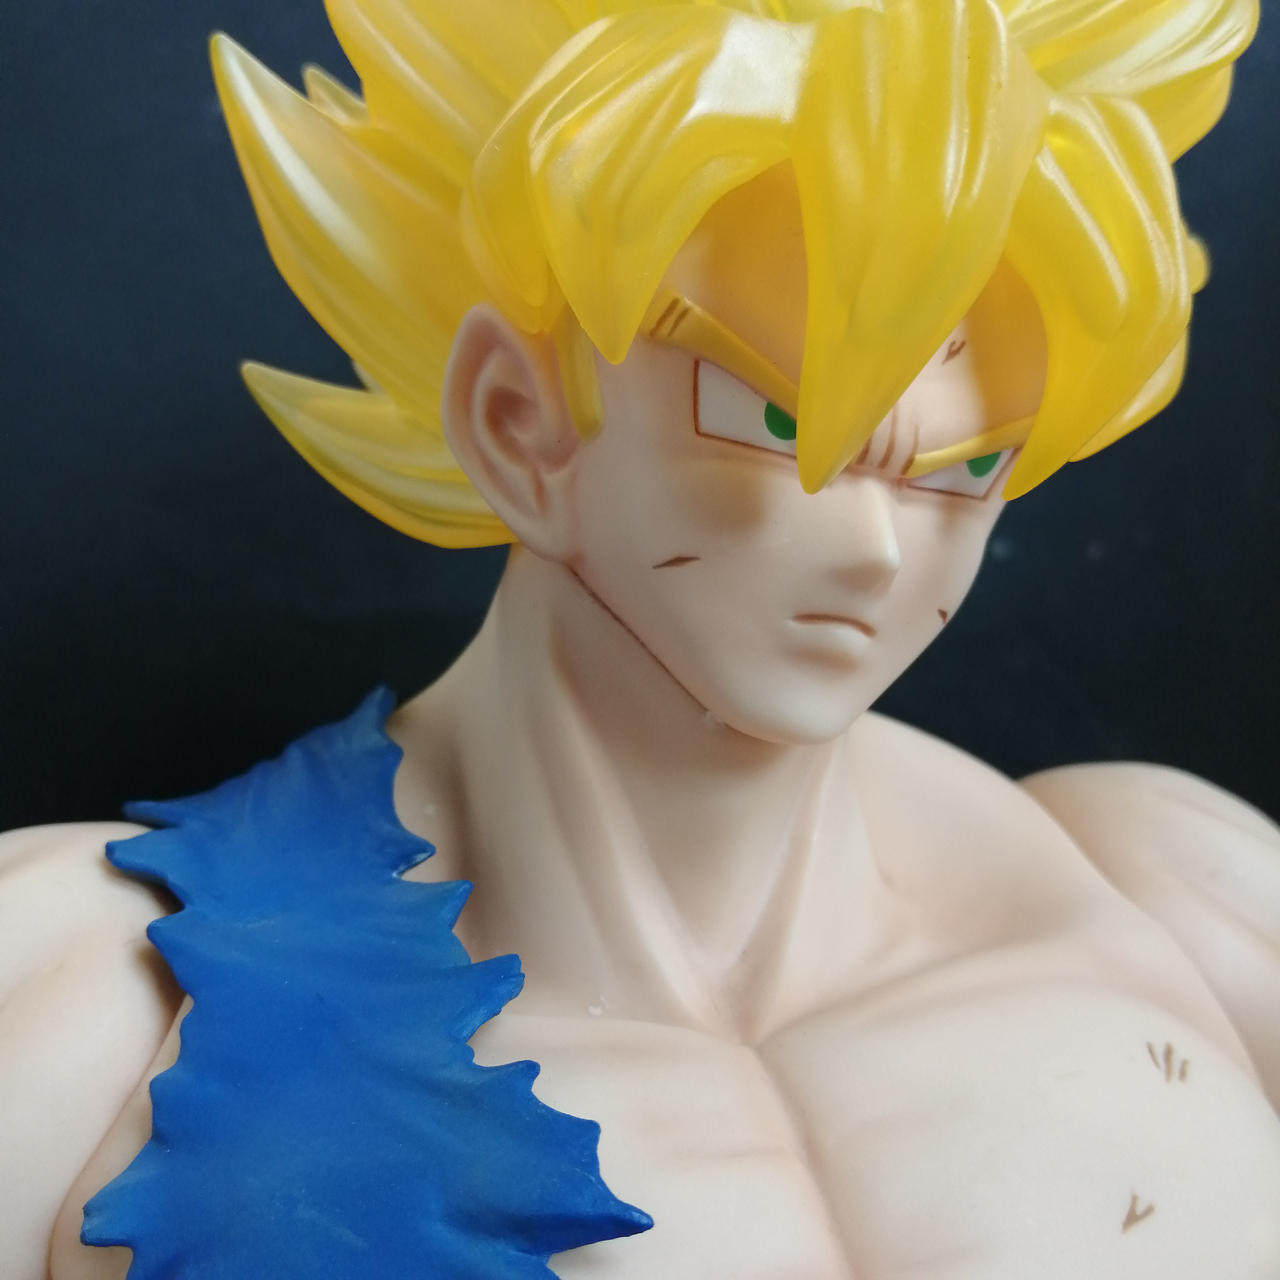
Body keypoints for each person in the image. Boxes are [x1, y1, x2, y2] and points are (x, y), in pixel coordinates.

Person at [4, 0, 1278, 1275]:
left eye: (966, 464)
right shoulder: (77, 1007)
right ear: (516, 420)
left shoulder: (1193, 910)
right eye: (776, 425)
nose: (877, 550)